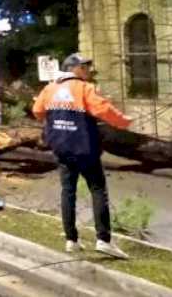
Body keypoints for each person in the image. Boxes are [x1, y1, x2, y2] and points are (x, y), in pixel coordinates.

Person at [32, 53, 133, 259]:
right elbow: (104, 110)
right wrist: (125, 121)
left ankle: (71, 240)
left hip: (60, 148)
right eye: (85, 67)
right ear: (74, 69)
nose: (88, 71)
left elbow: (37, 110)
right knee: (98, 190)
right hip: (84, 149)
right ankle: (104, 240)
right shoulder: (85, 89)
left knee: (67, 192)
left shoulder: (50, 88)